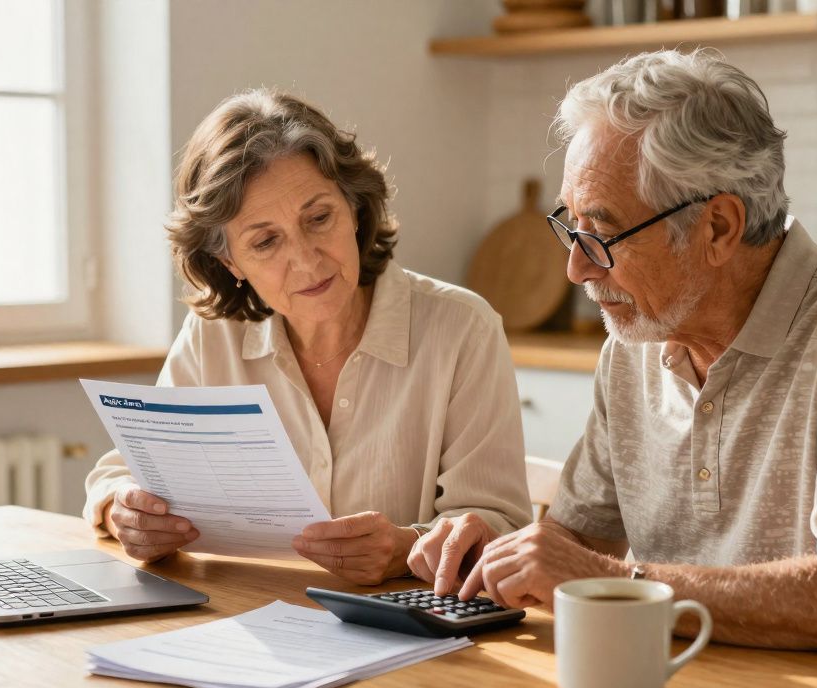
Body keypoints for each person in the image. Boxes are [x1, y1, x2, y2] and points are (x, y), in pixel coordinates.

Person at [424, 50, 817, 668]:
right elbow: (578, 542)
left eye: (604, 233)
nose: (576, 268)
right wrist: (497, 554)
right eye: (572, 225)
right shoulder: (635, 344)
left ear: (720, 227)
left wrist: (620, 582)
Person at [83, 89, 531, 585]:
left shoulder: (462, 328)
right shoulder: (214, 337)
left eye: (319, 218)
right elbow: (120, 474)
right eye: (265, 241)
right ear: (230, 262)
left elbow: (501, 525)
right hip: (245, 614)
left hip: (401, 621)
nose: (306, 260)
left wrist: (408, 548)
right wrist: (127, 513)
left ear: (355, 209)